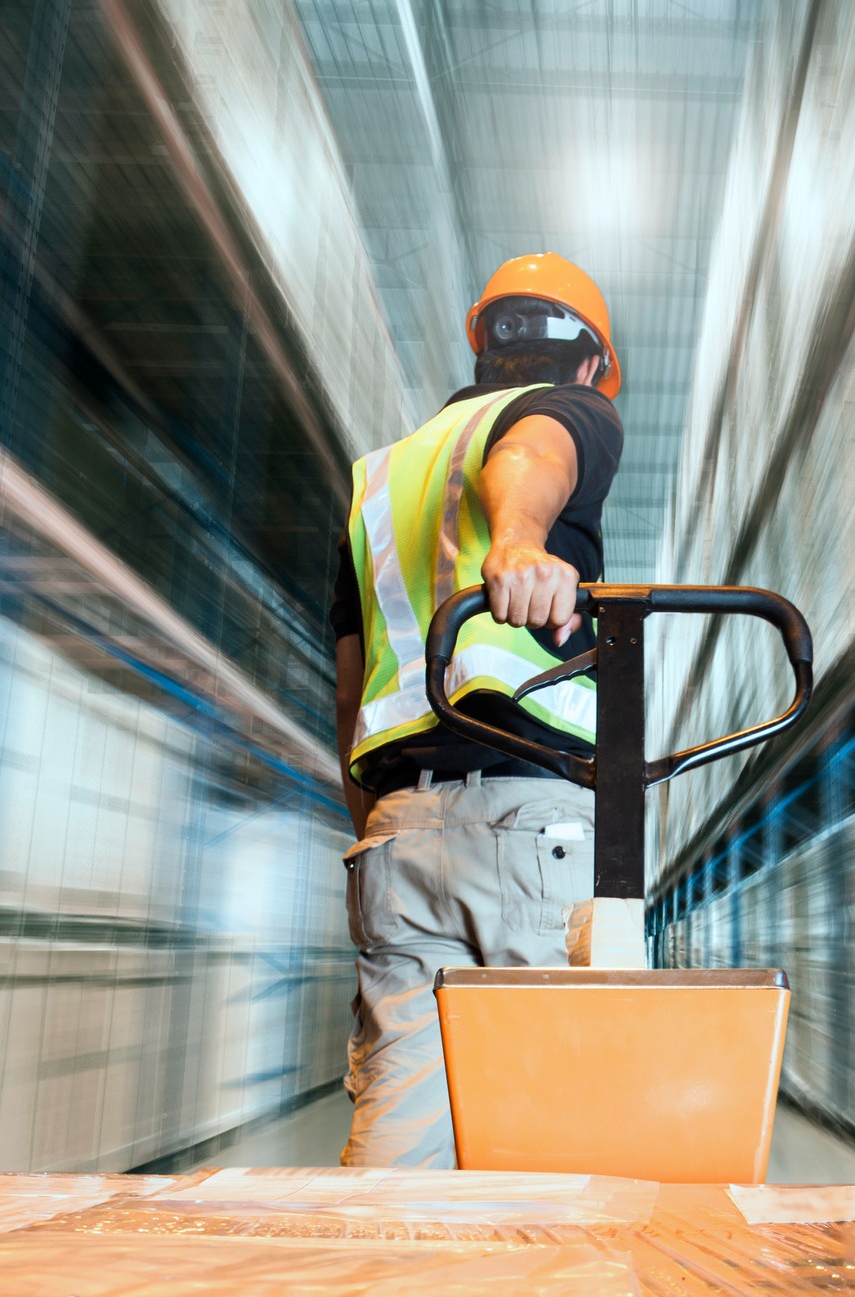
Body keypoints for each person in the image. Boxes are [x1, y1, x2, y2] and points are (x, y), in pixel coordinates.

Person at [327, 253, 625, 1168]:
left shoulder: (383, 475)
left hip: (396, 829)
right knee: (558, 1138)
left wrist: (374, 825)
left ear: (482, 344)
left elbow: (348, 685)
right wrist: (524, 541)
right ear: (589, 364)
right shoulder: (574, 411)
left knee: (400, 1140)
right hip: (531, 821)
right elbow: (536, 455)